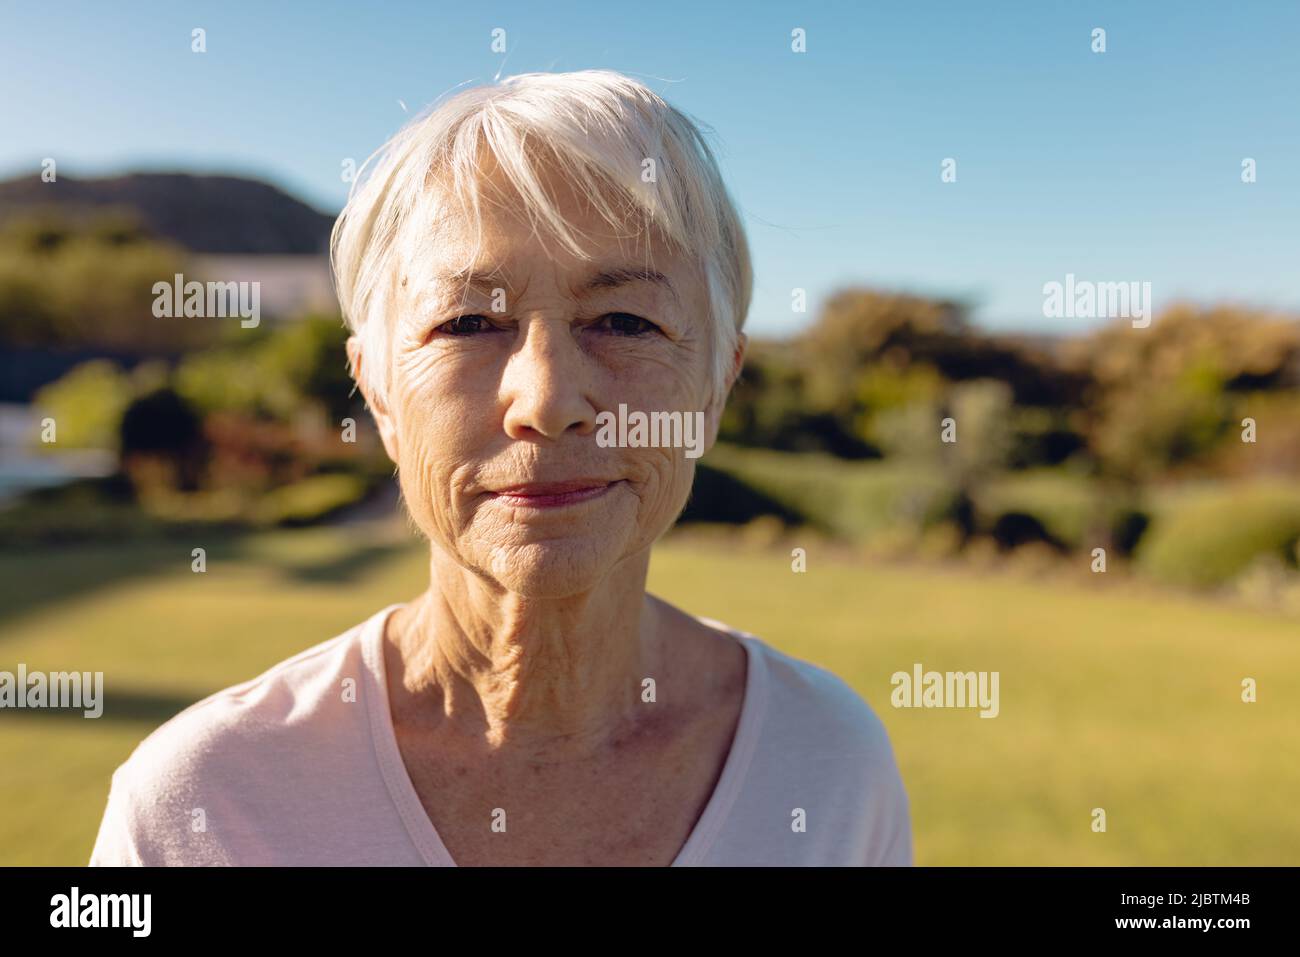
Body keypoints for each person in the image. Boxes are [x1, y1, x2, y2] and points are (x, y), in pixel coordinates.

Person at [89, 69, 912, 866]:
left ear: (716, 385)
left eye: (625, 320)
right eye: (469, 322)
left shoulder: (828, 763)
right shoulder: (205, 804)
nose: (547, 400)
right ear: (377, 389)